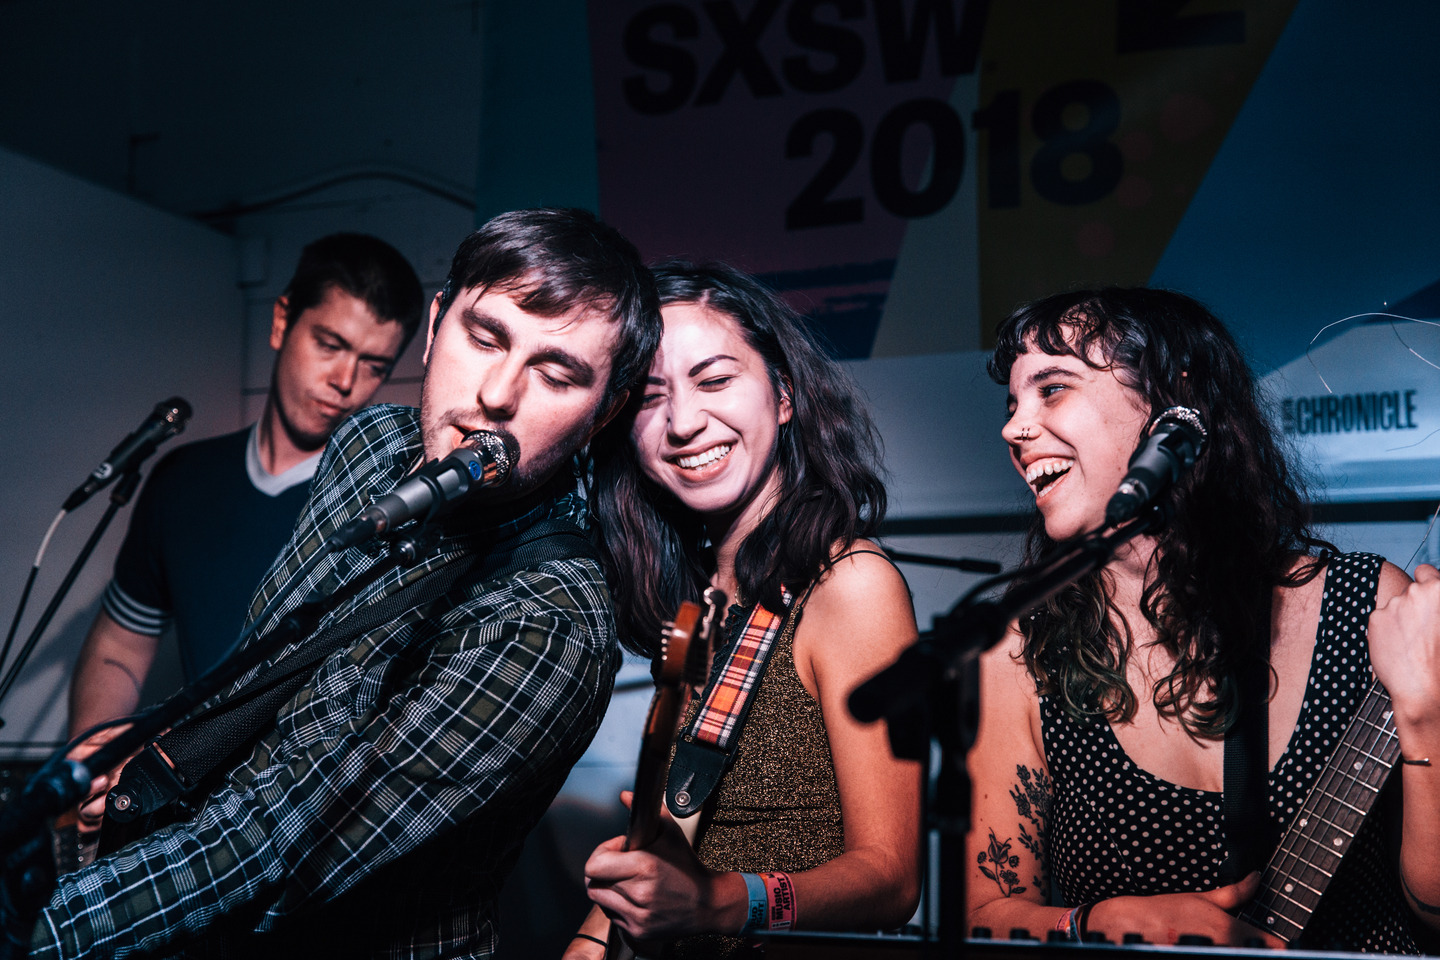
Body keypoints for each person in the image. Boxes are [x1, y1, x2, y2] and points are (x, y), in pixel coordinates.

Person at [31, 208, 661, 959]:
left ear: (603, 412)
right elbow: (266, 686)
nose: (497, 394)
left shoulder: (550, 619)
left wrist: (45, 929)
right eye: (484, 337)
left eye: (555, 374)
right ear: (437, 325)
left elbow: (282, 848)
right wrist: (149, 761)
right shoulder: (367, 446)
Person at [966, 288, 1440, 951]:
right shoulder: (1025, 650)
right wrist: (1095, 923)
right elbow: (983, 914)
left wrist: (1424, 715)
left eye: (1052, 390)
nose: (1014, 429)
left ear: (1172, 408)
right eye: (1013, 404)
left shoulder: (1367, 603)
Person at [569, 262, 921, 959]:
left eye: (714, 380)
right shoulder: (700, 598)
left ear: (783, 396)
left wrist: (717, 903)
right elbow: (678, 837)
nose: (684, 422)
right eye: (650, 396)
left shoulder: (849, 584)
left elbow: (892, 878)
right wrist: (592, 937)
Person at [69, 232, 424, 735]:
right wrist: (90, 754)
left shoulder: (387, 504)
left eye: (374, 366)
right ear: (281, 322)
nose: (345, 381)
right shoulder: (183, 480)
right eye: (329, 345)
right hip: (185, 778)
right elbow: (121, 642)